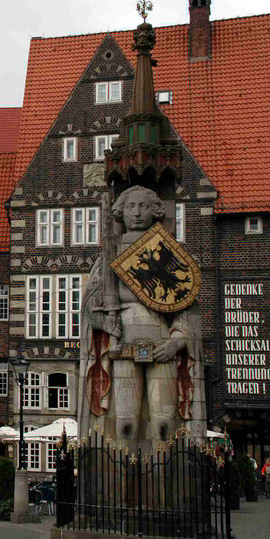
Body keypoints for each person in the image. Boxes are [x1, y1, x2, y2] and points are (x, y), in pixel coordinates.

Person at [79, 186, 200, 446]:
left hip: (161, 346)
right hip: (123, 346)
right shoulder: (108, 257)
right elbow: (89, 306)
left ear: (155, 211)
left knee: (164, 423)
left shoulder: (168, 255)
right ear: (121, 212)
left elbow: (186, 308)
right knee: (124, 423)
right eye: (131, 206)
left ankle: (164, 482)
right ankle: (120, 481)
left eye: (143, 206)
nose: (136, 213)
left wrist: (176, 343)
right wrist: (104, 321)